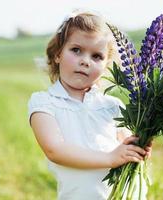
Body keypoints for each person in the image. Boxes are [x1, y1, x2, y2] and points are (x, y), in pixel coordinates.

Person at [27, 11, 152, 200]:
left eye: (96, 56)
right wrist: (109, 158)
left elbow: (126, 148)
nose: (85, 61)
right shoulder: (44, 103)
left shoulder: (112, 106)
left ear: (106, 65)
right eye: (76, 50)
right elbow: (54, 150)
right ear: (57, 54)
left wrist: (138, 146)